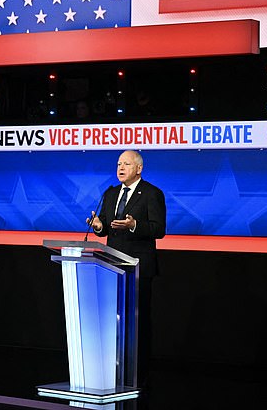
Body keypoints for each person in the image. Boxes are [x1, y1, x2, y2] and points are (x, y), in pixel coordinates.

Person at [86, 150, 166, 386]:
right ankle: (115, 367)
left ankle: (139, 373)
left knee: (137, 321)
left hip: (139, 268)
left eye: (126, 164)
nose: (120, 167)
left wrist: (134, 225)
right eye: (119, 163)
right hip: (113, 266)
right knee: (115, 320)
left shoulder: (152, 193)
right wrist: (99, 226)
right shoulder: (110, 193)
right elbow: (105, 227)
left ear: (139, 168)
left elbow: (158, 229)